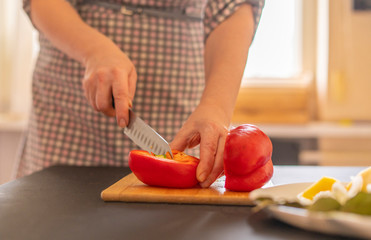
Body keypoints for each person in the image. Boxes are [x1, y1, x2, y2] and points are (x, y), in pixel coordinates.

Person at [16, 0, 264, 188]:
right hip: (68, 118)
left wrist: (216, 107)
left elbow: (234, 8)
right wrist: (94, 51)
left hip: (179, 115)